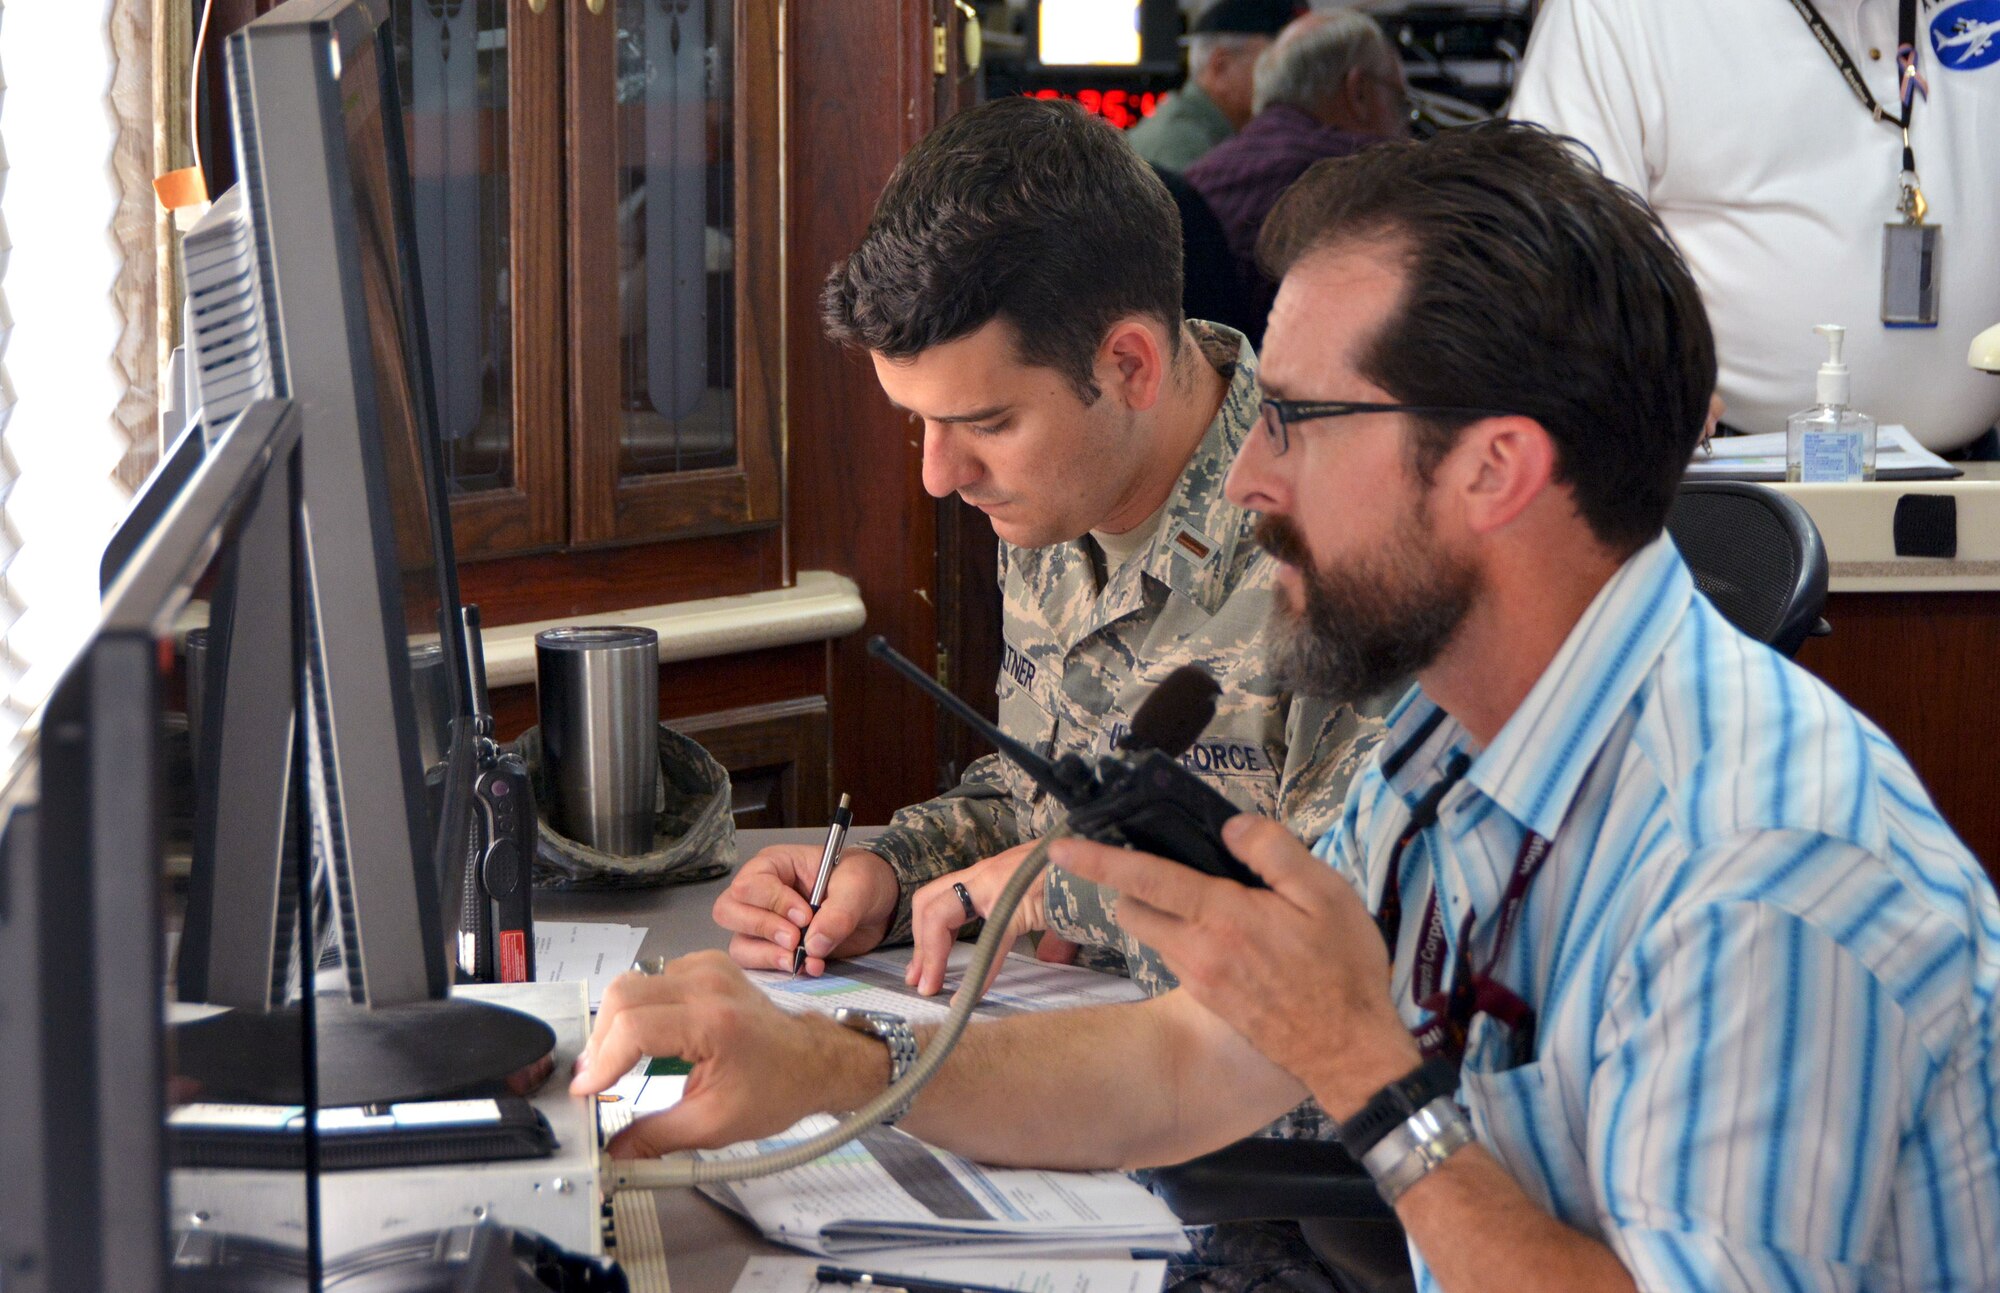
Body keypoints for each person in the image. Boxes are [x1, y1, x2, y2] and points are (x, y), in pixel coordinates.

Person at [580, 122, 2000, 1292]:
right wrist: (829, 1061)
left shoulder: (1764, 874)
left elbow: (1337, 1071)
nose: (1250, 479)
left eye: (1299, 421)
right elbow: (1188, 1063)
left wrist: (1371, 1075)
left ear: (1493, 470)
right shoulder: (1460, 745)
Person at [712, 95, 1390, 1005]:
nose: (939, 477)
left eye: (985, 423)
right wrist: (890, 873)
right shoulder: (1054, 496)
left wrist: (1055, 888)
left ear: (1130, 367)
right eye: (920, 423)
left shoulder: (1345, 541)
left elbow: (1354, 928)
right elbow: (1042, 796)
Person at [1508, 0, 2000, 452]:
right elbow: (1551, 261)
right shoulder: (1622, 13)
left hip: (1980, 477)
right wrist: (1640, 375)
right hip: (1727, 486)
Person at [1184, 9, 1411, 341]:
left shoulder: (1206, 171)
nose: (1407, 123)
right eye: (1401, 101)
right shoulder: (1371, 180)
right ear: (1359, 92)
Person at [1125, 0, 1295, 173]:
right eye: (1268, 64)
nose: (1281, 77)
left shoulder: (1203, 130)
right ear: (1220, 66)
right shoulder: (1182, 141)